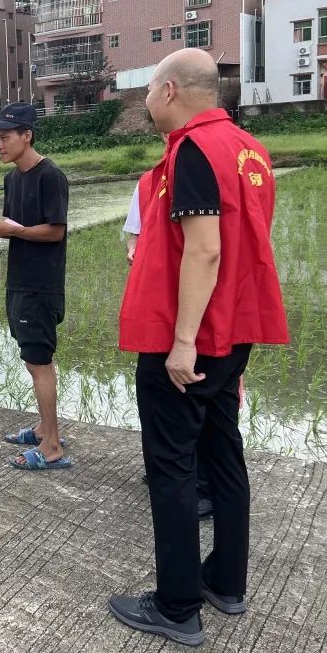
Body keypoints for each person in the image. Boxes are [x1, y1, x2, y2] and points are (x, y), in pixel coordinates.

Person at [109, 48, 289, 646]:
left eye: (149, 90)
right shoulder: (249, 149)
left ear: (169, 91)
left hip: (192, 337)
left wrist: (183, 341)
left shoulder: (192, 149)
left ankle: (177, 605)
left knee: (171, 467)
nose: (146, 101)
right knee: (223, 452)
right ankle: (225, 582)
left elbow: (206, 249)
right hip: (235, 329)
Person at [0, 102, 71, 471]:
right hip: (18, 280)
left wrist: (14, 230)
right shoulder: (12, 179)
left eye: (5, 137)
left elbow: (55, 231)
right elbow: (14, 227)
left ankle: (52, 446)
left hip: (41, 285)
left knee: (39, 362)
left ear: (27, 135)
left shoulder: (51, 176)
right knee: (32, 360)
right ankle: (44, 429)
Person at [126, 172, 214, 520]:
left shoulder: (197, 174)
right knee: (153, 393)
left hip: (197, 306)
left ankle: (203, 485)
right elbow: (134, 232)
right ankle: (162, 470)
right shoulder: (148, 182)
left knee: (196, 394)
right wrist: (133, 250)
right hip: (156, 304)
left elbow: (207, 249)